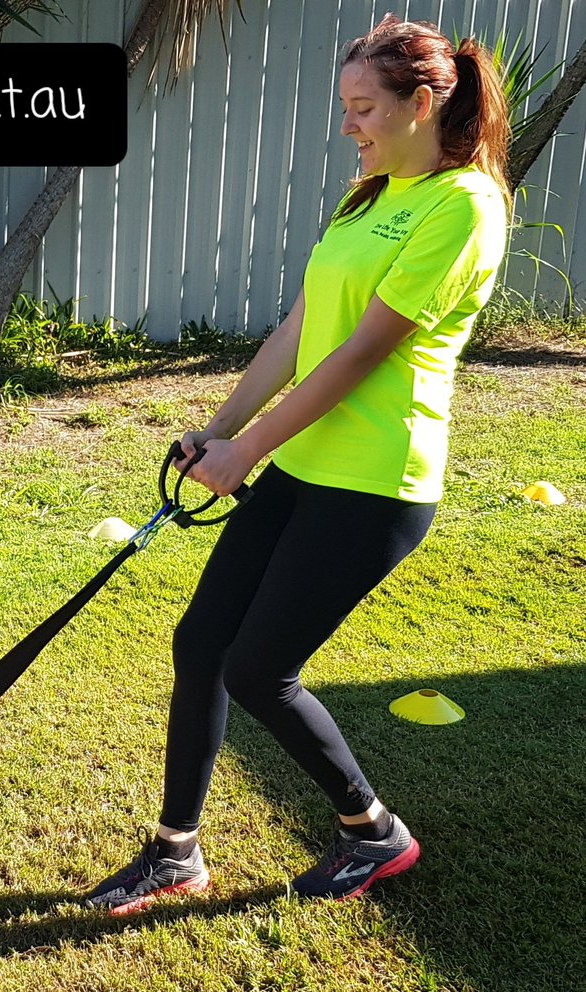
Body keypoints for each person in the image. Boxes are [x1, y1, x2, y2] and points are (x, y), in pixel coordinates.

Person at [86, 14, 512, 914]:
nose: (348, 125)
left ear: (423, 102)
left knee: (258, 667)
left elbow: (363, 353)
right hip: (304, 464)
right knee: (202, 641)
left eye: (364, 108)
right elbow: (299, 330)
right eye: (347, 107)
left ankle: (373, 831)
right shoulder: (369, 195)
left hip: (375, 480)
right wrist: (221, 430)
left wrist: (251, 449)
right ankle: (176, 851)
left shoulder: (464, 206)